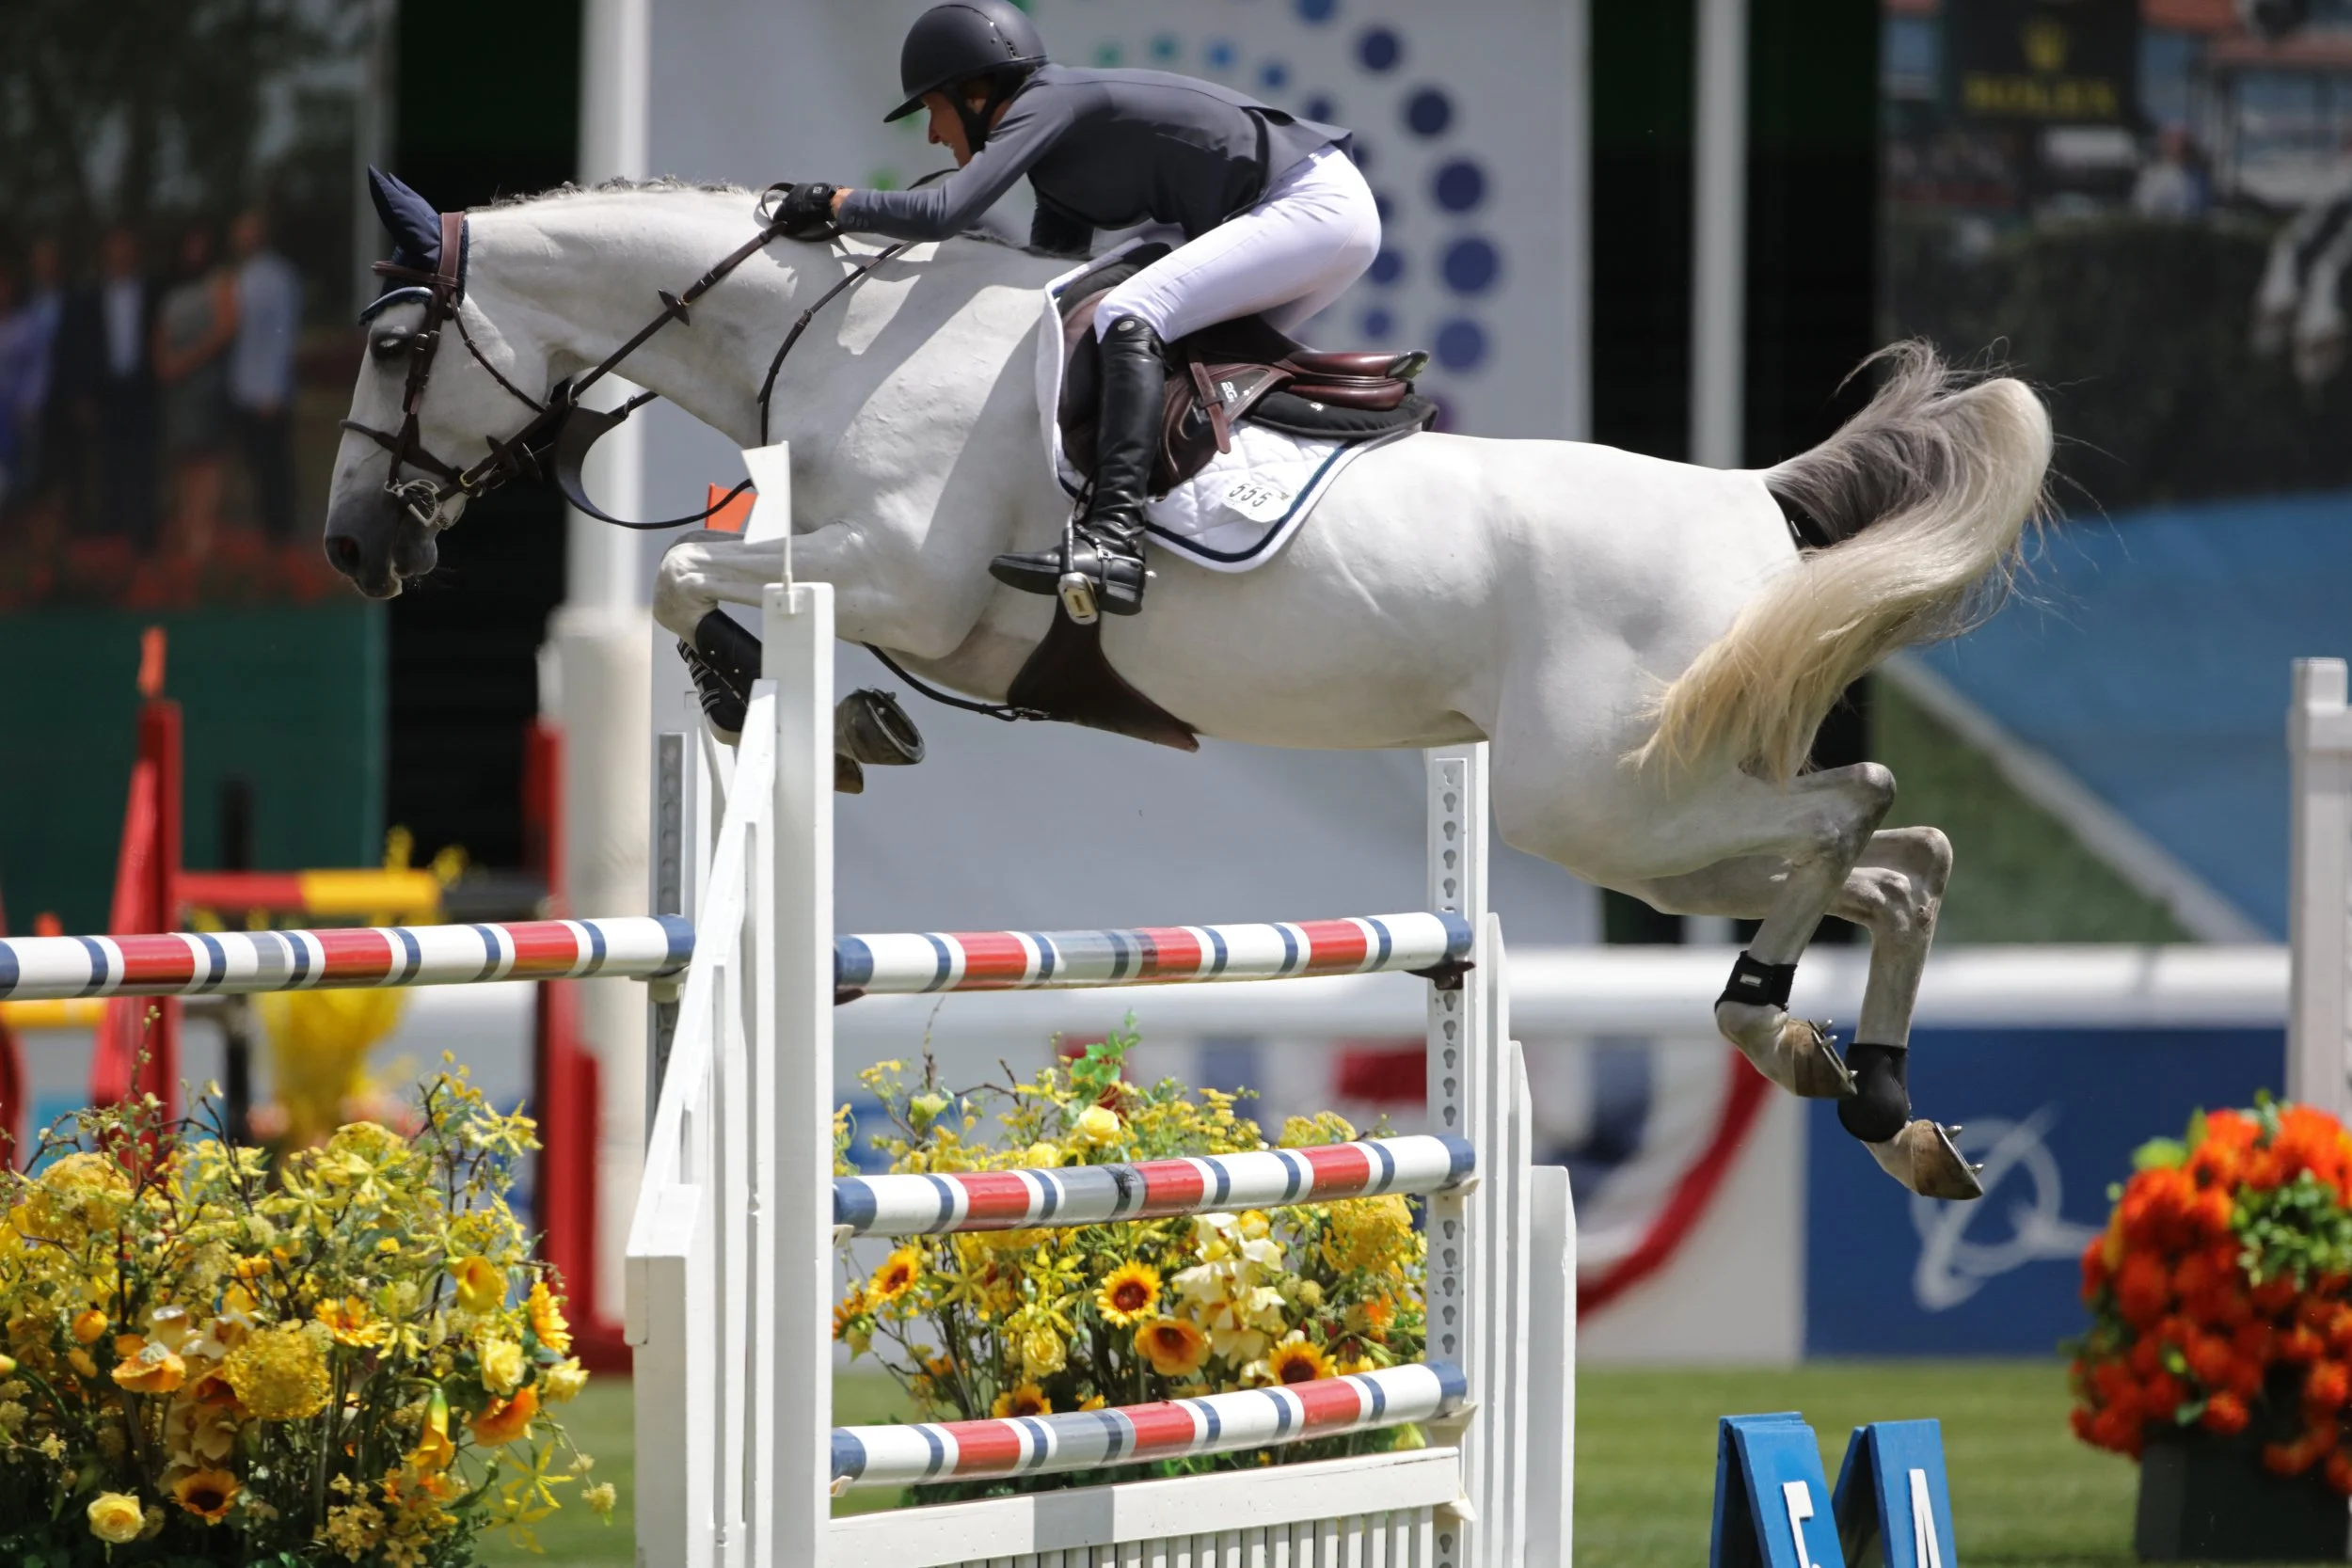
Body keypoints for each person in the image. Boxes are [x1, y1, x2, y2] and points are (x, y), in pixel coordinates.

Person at [774, 0, 1378, 616]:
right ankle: (1207, 516)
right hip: (1321, 213)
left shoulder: (1047, 99)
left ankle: (1114, 538)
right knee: (1174, 360)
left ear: (976, 95)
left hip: (1308, 205)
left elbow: (942, 212)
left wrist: (836, 202)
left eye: (933, 110)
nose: (932, 134)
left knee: (1130, 314)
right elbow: (1047, 281)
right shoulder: (1060, 165)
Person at [152, 224, 240, 571]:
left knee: (206, 460)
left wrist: (185, 362)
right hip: (177, 391)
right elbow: (159, 336)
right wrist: (165, 365)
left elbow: (225, 328)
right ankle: (188, 532)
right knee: (184, 460)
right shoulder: (171, 292)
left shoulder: (218, 283)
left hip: (205, 385)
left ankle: (202, 538)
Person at [226, 208, 302, 548]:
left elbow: (283, 336)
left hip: (268, 392)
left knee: (274, 470)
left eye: (250, 231)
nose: (244, 238)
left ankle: (281, 539)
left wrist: (273, 389)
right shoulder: (238, 276)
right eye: (240, 231)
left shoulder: (278, 275)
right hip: (241, 388)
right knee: (253, 468)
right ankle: (262, 537)